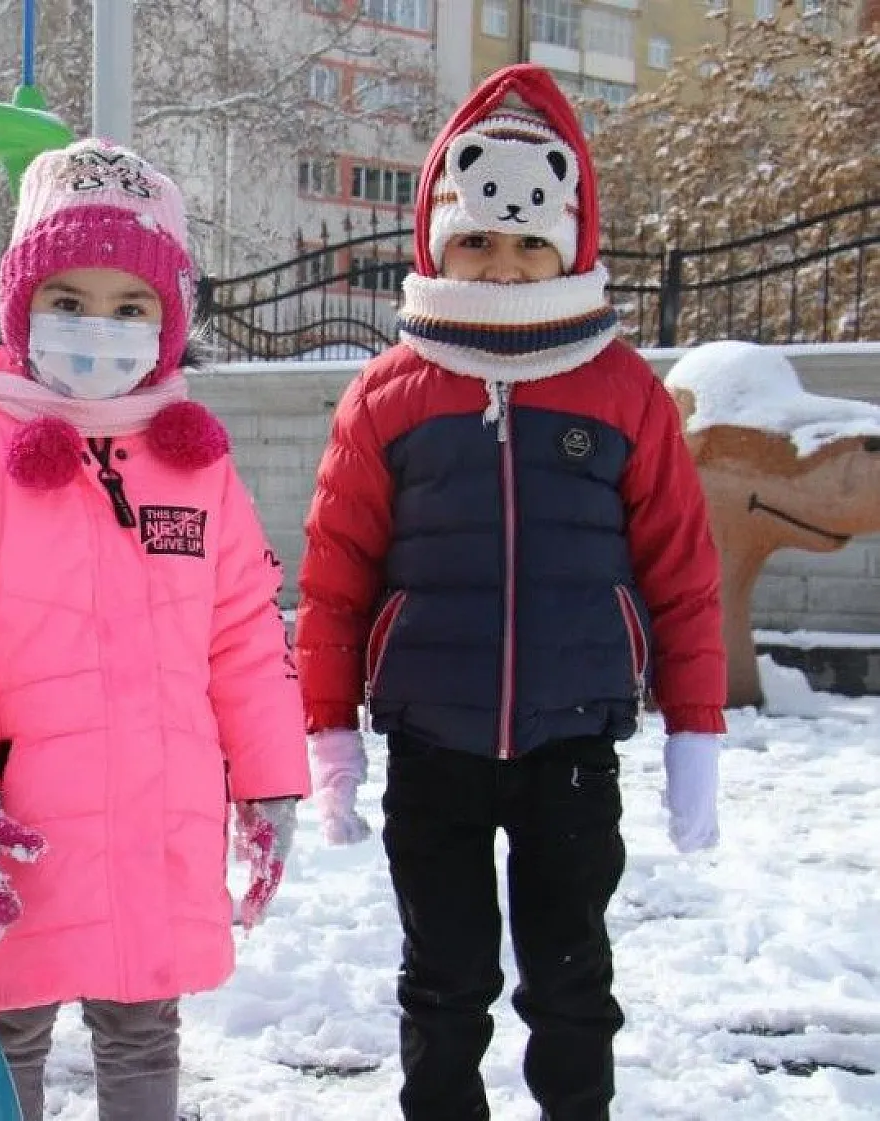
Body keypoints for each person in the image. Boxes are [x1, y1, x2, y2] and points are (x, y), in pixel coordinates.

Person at [294, 65, 726, 1121]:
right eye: (476, 239)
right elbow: (334, 575)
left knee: (570, 981)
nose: (501, 262)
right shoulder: (388, 393)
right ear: (436, 241)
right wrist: (327, 729)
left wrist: (694, 730)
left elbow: (679, 568)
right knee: (443, 984)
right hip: (431, 748)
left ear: (568, 245)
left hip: (569, 746)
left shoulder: (621, 388)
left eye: (528, 241)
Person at [0, 138, 311, 1121]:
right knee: (6, 1022)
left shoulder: (193, 464)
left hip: (159, 814)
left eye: (129, 306)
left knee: (144, 1023)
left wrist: (271, 778)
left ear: (168, 322)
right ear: (18, 307)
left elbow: (246, 632)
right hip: (13, 819)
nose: (97, 328)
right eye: (67, 301)